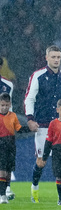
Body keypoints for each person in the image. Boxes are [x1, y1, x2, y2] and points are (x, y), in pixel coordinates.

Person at [25, 45, 61, 203]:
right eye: (53, 57)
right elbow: (29, 98)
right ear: (46, 58)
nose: (56, 60)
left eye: (58, 57)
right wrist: (30, 118)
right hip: (43, 125)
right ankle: (35, 187)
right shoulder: (38, 76)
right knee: (41, 161)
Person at [0, 93, 30, 204]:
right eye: (2, 105)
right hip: (1, 145)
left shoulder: (13, 116)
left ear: (10, 105)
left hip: (11, 145)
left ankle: (6, 190)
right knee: (2, 171)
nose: (4, 107)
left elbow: (19, 129)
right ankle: (2, 195)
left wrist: (30, 128)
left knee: (8, 171)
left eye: (6, 105)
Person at [0, 59, 15, 200]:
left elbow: (10, 107)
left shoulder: (7, 85)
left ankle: (7, 188)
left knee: (6, 163)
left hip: (5, 130)